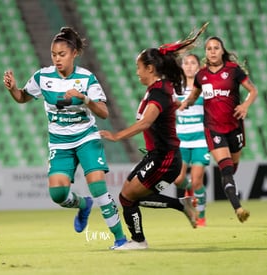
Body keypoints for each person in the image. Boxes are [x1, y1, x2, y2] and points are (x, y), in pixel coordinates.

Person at [3, 27, 127, 249]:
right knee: (58, 194)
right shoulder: (42, 77)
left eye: (62, 54)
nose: (57, 59)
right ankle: (83, 204)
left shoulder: (86, 78)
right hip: (60, 142)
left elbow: (103, 112)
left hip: (87, 138)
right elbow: (22, 97)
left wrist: (84, 99)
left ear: (74, 53)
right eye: (53, 54)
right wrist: (13, 89)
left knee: (98, 187)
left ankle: (120, 239)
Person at [100, 23, 208, 250]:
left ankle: (139, 241)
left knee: (127, 198)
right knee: (127, 197)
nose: (136, 72)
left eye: (138, 67)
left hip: (164, 158)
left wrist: (116, 136)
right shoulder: (160, 88)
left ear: (150, 68)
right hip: (157, 156)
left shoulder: (158, 91)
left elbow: (147, 122)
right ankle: (181, 206)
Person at [179, 36, 258, 223]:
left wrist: (245, 106)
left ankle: (231, 194)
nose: (212, 51)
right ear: (205, 53)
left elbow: (253, 91)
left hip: (235, 128)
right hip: (213, 129)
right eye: (209, 48)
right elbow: (195, 94)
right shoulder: (201, 75)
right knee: (226, 170)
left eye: (216, 48)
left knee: (233, 166)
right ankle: (238, 208)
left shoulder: (233, 71)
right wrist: (186, 103)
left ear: (222, 51)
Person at [140, 54, 210, 227]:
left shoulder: (204, 89)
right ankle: (189, 192)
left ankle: (201, 214)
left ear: (198, 67)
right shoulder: (175, 88)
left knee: (197, 179)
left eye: (193, 63)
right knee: (178, 179)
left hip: (200, 139)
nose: (189, 66)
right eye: (185, 63)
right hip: (181, 139)